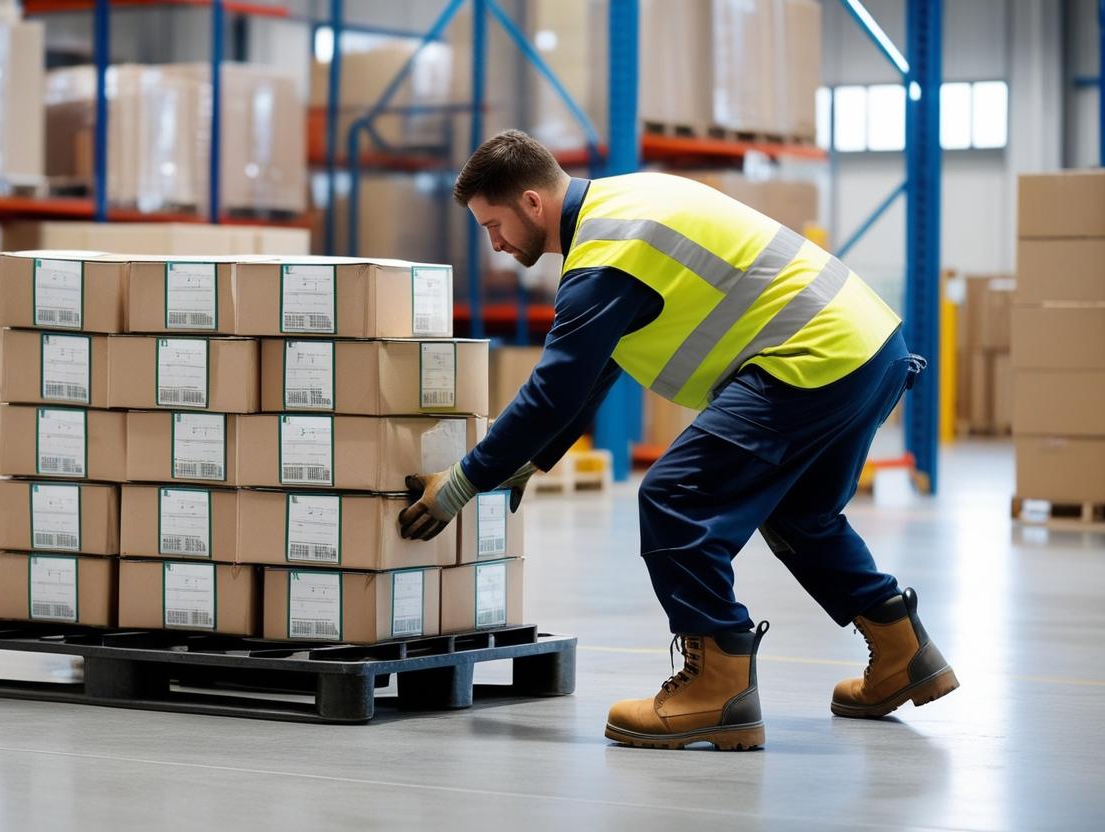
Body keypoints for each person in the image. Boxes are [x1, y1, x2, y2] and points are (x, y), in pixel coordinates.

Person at [398, 130, 958, 751]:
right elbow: (593, 375)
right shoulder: (624, 207)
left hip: (809, 358)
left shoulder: (604, 256)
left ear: (532, 203)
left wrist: (460, 485)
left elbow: (553, 390)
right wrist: (528, 462)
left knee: (674, 496)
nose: (495, 244)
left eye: (493, 224)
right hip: (870, 348)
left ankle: (716, 689)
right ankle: (903, 650)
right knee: (802, 514)